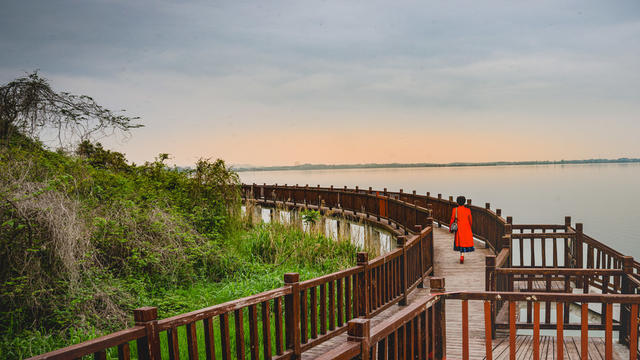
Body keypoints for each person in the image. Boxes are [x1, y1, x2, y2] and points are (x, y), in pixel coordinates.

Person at [450, 195, 474, 263]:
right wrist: (470, 227)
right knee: (464, 242)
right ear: (464, 202)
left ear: (457, 202)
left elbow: (452, 219)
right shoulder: (468, 210)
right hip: (466, 228)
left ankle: (461, 256)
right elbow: (470, 220)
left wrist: (450, 229)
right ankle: (462, 255)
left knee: (460, 242)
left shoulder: (455, 210)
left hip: (459, 228)